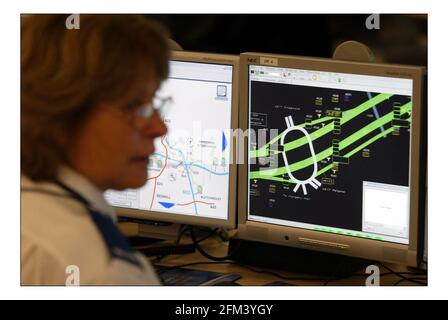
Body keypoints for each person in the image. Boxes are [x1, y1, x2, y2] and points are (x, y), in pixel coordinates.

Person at [21, 14, 170, 285]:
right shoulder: (104, 272)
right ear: (60, 114)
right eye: (133, 107)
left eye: (155, 104)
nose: (159, 128)